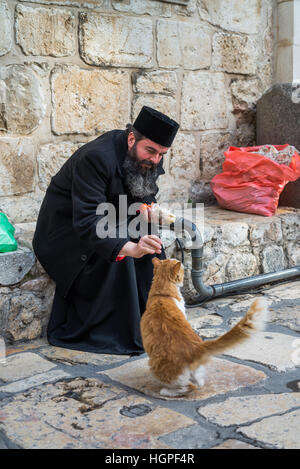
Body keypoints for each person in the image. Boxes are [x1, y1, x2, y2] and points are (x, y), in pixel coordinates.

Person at [32, 106, 179, 355]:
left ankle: (152, 320)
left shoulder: (146, 158)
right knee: (122, 249)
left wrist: (148, 209)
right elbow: (88, 220)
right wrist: (130, 248)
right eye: (150, 151)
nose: (155, 160)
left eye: (161, 154)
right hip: (65, 232)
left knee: (148, 241)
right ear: (132, 138)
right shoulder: (96, 157)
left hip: (109, 219)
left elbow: (143, 192)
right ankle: (120, 330)